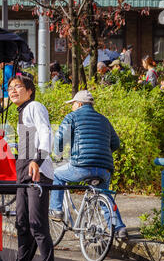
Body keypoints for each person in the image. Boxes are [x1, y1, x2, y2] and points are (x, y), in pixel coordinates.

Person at [0, 75, 57, 261]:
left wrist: (37, 161)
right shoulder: (22, 111)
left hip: (37, 172)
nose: (13, 91)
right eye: (10, 88)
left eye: (18, 86)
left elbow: (46, 132)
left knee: (38, 225)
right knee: (22, 223)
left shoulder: (35, 106)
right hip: (23, 173)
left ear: (30, 91)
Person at [49, 90, 128, 239]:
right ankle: (119, 228)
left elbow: (60, 138)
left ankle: (55, 210)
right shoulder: (104, 120)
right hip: (104, 168)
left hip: (81, 166)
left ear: (79, 104)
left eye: (73, 104)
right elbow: (116, 143)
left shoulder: (72, 117)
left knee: (57, 175)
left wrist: (57, 155)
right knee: (104, 196)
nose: (72, 107)